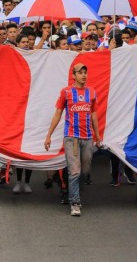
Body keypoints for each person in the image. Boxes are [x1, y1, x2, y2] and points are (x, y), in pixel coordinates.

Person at [44, 63, 102, 217]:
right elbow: (57, 114)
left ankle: (72, 192)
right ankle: (74, 202)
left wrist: (98, 135)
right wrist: (49, 135)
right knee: (74, 170)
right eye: (80, 72)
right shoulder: (66, 92)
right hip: (72, 137)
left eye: (85, 72)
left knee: (86, 170)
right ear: (73, 75)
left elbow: (94, 115)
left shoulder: (92, 92)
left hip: (88, 137)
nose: (84, 75)